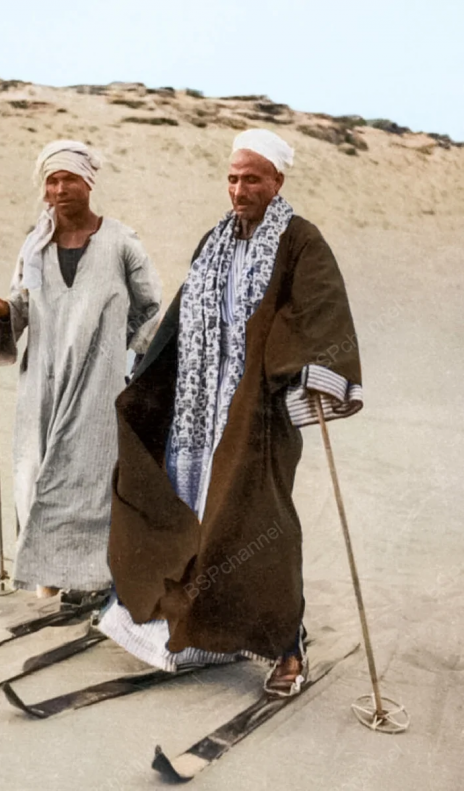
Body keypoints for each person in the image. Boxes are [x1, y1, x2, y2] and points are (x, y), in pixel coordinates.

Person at [99, 129, 362, 696]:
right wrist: (146, 371)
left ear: (277, 182)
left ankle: (288, 648)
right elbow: (181, 315)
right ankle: (198, 631)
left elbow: (321, 309)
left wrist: (312, 369)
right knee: (197, 518)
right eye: (233, 178)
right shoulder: (214, 240)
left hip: (257, 411)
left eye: (252, 179)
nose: (240, 190)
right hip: (199, 408)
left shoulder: (300, 240)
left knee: (261, 524)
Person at [0, 140, 162, 597]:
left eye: (69, 179)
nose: (60, 189)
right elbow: (22, 302)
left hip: (99, 382)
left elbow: (150, 306)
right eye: (52, 181)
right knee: (35, 471)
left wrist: (122, 353)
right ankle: (47, 581)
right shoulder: (35, 246)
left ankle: (91, 581)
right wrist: (2, 310)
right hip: (42, 379)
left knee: (90, 476)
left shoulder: (121, 242)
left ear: (88, 183)